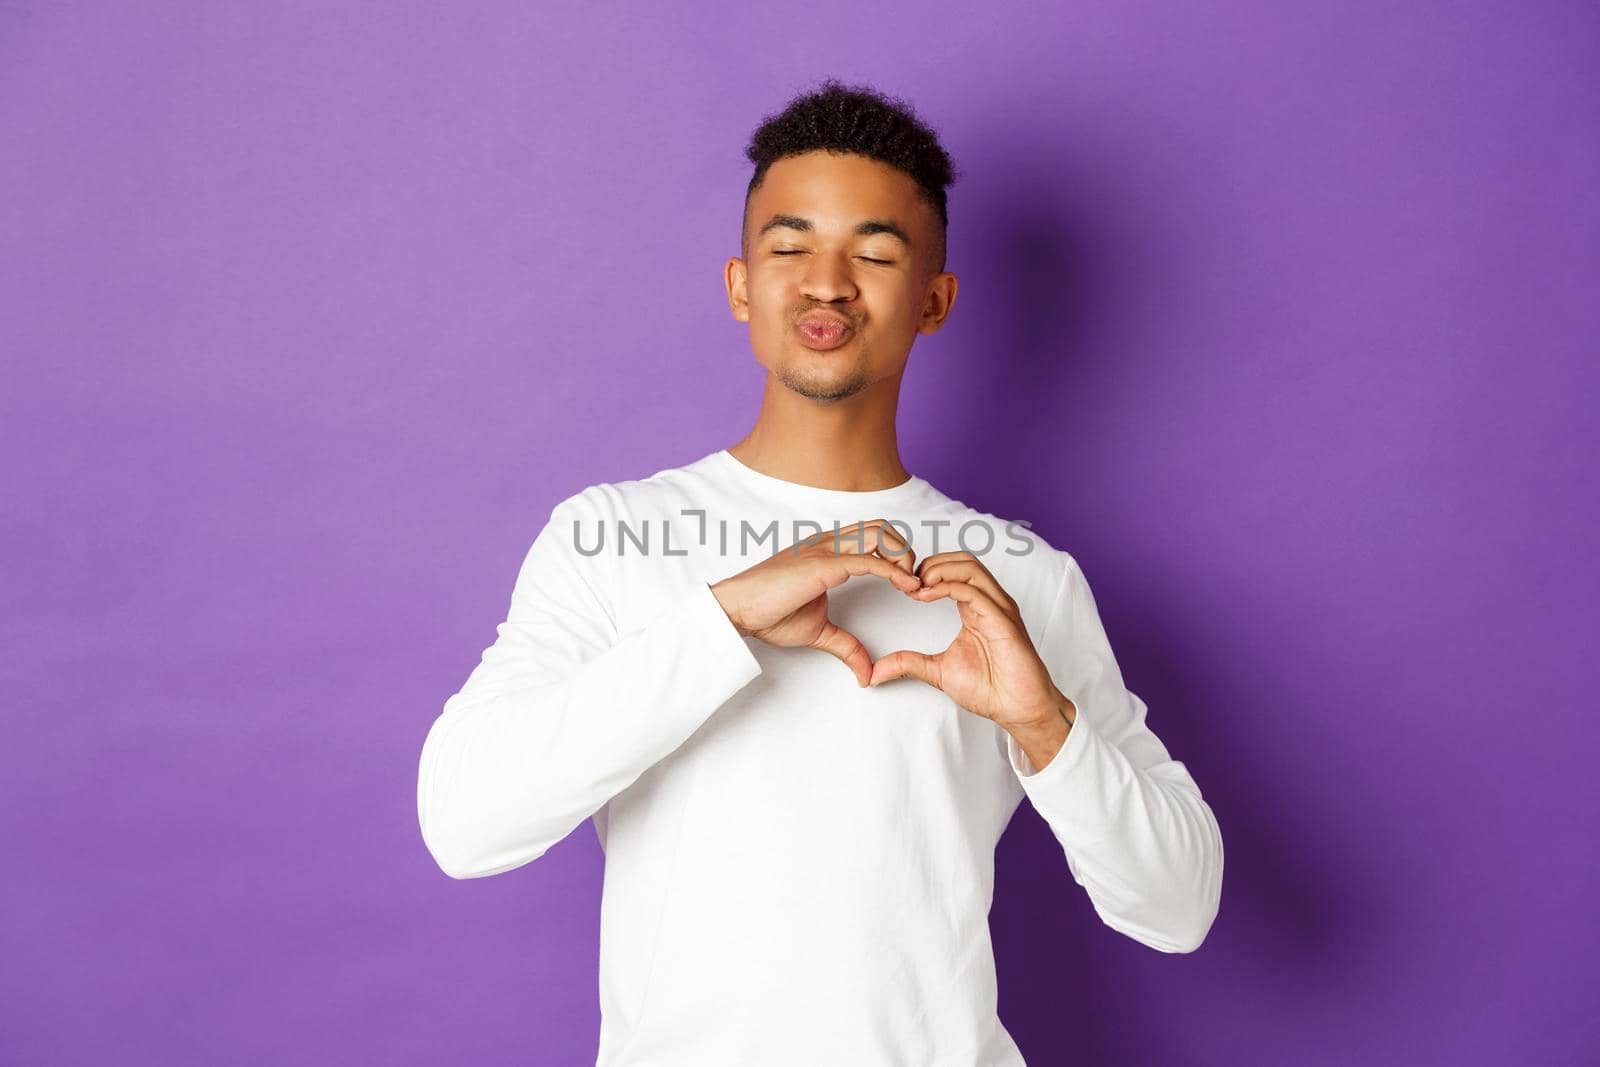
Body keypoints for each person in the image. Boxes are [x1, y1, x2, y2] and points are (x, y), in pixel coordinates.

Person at [417, 77, 1223, 1067]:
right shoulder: (612, 534)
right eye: (789, 247)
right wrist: (722, 620)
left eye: (874, 252)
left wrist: (1041, 722)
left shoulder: (1020, 578)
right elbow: (463, 820)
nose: (827, 282)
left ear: (933, 300)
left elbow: (1179, 905)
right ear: (740, 285)